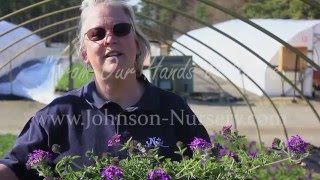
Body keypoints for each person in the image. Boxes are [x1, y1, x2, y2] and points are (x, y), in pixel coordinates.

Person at [0, 0, 210, 179]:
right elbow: (13, 168)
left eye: (121, 29)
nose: (109, 38)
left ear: (137, 44)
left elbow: (208, 166)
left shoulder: (173, 108)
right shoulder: (58, 114)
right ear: (84, 54)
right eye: (97, 34)